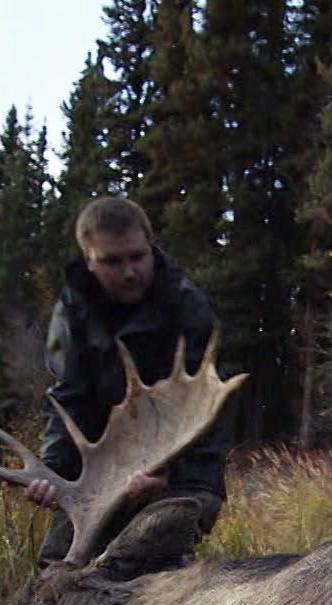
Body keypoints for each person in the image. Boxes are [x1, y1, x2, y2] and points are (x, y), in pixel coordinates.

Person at [22, 196, 228, 580]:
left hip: (182, 475)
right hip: (108, 471)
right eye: (112, 262)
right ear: (89, 261)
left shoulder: (188, 308)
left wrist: (167, 472)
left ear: (151, 248)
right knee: (58, 568)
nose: (130, 272)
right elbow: (67, 401)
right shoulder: (73, 312)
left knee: (142, 561)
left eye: (137, 257)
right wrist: (52, 474)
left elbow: (210, 415)